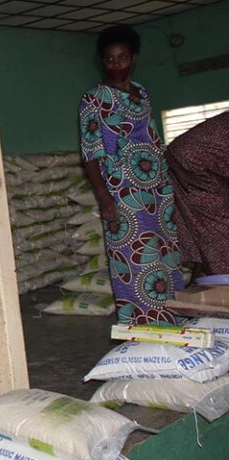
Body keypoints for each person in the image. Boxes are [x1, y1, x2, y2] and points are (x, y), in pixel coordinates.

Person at [78, 26, 184, 326]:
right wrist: (104, 197)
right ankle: (142, 323)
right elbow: (90, 153)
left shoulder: (142, 93)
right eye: (109, 59)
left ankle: (173, 316)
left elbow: (152, 139)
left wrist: (169, 180)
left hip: (157, 188)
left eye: (122, 58)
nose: (116, 65)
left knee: (166, 253)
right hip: (123, 190)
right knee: (136, 258)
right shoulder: (94, 98)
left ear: (133, 58)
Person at [165, 112, 229, 277]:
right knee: (220, 229)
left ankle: (204, 280)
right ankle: (222, 285)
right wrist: (182, 173)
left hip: (188, 166)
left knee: (203, 232)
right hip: (189, 168)